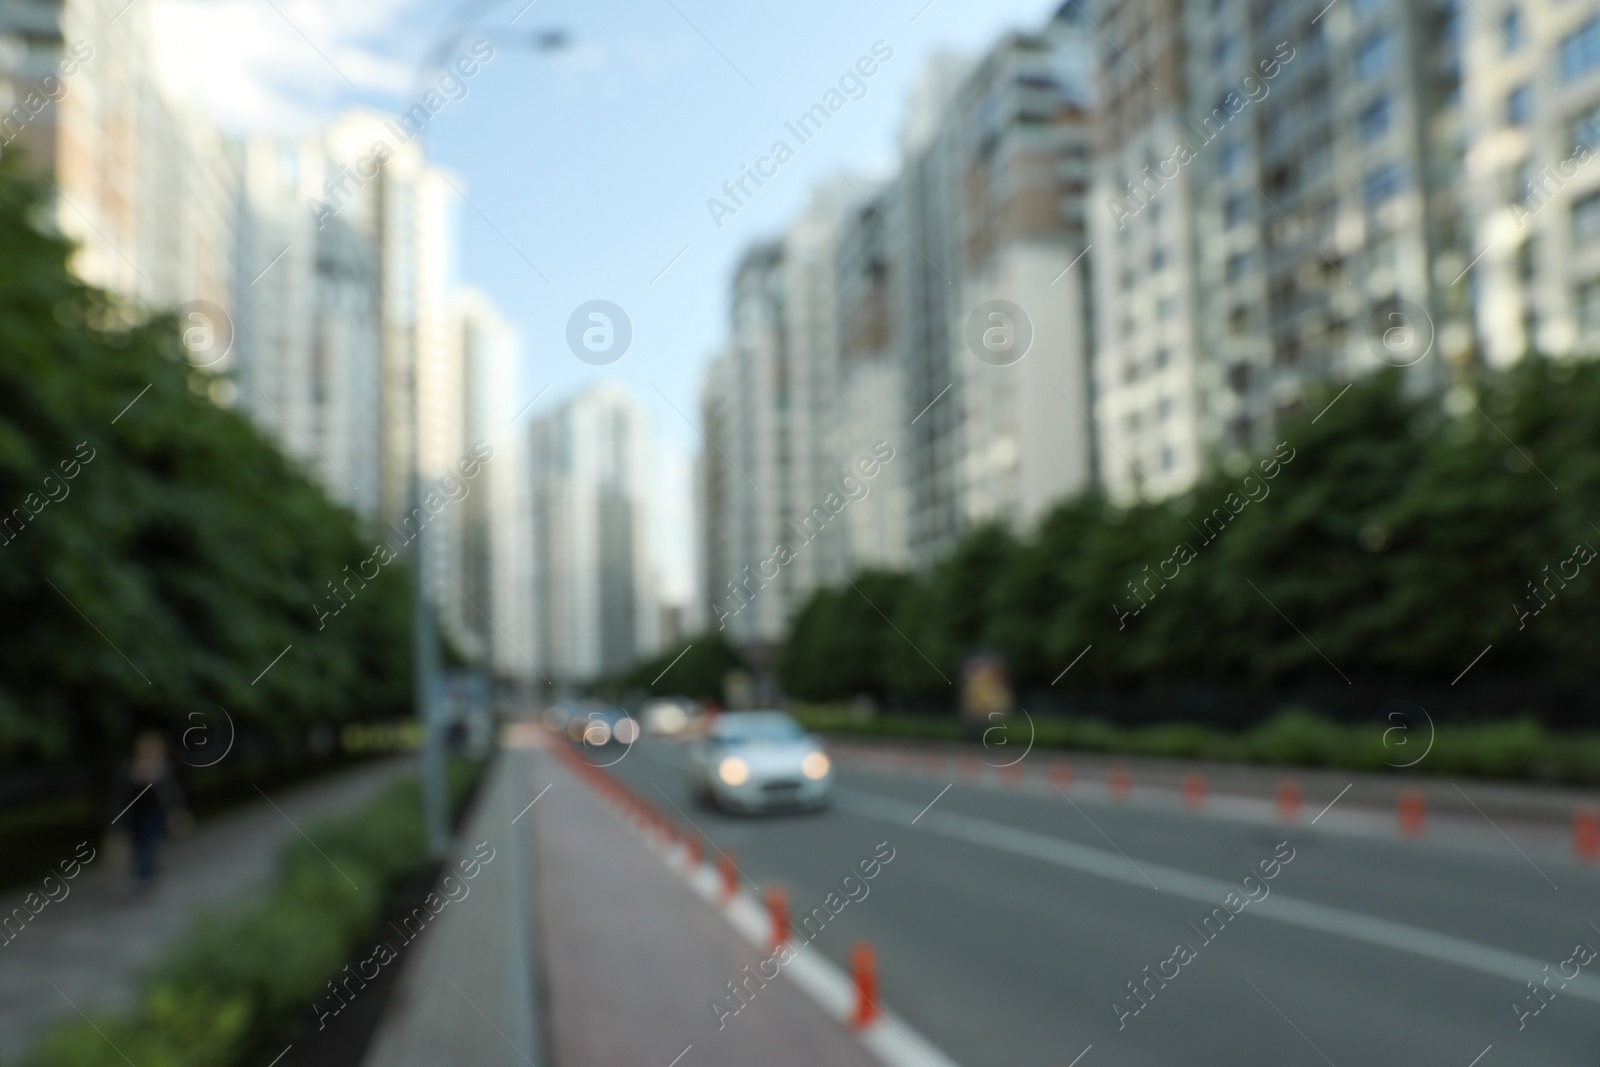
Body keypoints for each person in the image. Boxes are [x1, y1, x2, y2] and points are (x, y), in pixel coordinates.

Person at [112, 731, 189, 894]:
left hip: (154, 815)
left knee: (149, 845)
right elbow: (120, 795)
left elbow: (171, 793)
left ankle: (144, 879)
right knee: (138, 847)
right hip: (134, 816)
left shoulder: (162, 768)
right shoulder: (128, 768)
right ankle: (146, 876)